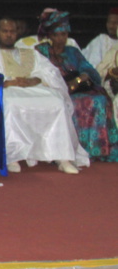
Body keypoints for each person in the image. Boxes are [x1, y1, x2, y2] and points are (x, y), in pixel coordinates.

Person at [0, 18, 87, 174]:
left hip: (33, 88)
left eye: (12, 31)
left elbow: (50, 71)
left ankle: (62, 157)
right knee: (10, 103)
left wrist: (33, 79)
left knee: (57, 102)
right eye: (5, 31)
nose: (9, 35)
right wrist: (8, 83)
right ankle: (12, 156)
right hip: (7, 90)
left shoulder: (31, 54)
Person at [34, 10, 118, 161]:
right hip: (55, 90)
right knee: (80, 102)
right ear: (50, 36)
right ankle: (70, 150)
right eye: (57, 35)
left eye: (64, 35)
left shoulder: (73, 51)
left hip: (79, 88)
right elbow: (38, 73)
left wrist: (83, 77)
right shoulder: (42, 51)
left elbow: (90, 71)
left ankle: (96, 150)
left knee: (100, 100)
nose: (61, 38)